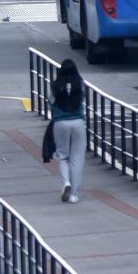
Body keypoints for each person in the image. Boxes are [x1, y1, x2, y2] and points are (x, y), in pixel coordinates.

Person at [52, 59, 86, 203]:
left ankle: (66, 182)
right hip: (78, 122)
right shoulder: (80, 83)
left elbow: (50, 100)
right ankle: (73, 194)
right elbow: (83, 98)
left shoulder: (55, 85)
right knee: (77, 158)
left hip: (60, 122)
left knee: (62, 156)